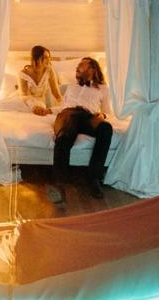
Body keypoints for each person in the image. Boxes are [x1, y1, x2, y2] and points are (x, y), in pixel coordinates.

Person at [48, 57, 113, 201]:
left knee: (106, 128)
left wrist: (102, 115)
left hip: (88, 116)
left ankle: (93, 178)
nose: (77, 68)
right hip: (68, 114)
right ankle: (60, 184)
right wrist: (48, 111)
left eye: (81, 65)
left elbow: (107, 111)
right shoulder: (72, 86)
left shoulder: (103, 88)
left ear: (92, 69)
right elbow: (62, 106)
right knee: (64, 135)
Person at [19, 45, 63, 116]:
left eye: (49, 58)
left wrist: (63, 105)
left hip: (41, 103)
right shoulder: (23, 74)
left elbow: (55, 92)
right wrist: (34, 106)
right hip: (26, 102)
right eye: (45, 58)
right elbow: (25, 95)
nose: (48, 60)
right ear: (36, 58)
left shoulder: (49, 70)